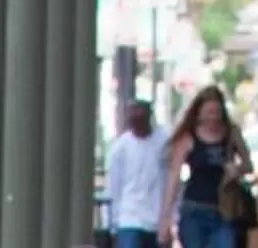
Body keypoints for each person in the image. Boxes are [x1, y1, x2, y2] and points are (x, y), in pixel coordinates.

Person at [166, 84, 249, 248]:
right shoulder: (189, 137)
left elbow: (248, 164)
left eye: (217, 112)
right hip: (194, 209)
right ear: (199, 114)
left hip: (223, 209)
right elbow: (174, 178)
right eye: (209, 112)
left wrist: (238, 169)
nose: (213, 117)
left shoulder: (231, 133)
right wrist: (166, 217)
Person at [107, 97, 172, 248]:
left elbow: (171, 179)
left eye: (140, 112)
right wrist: (114, 222)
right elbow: (114, 187)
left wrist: (171, 216)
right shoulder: (120, 148)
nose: (136, 117)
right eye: (132, 113)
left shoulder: (164, 142)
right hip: (129, 218)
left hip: (157, 219)